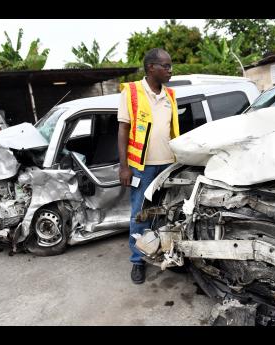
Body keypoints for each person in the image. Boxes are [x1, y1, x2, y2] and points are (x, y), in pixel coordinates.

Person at [117, 48, 179, 284]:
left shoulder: (171, 95)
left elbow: (173, 130)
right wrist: (124, 167)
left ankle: (163, 252)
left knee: (166, 213)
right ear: (151, 67)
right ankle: (138, 261)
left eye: (170, 66)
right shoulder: (131, 92)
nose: (170, 70)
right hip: (141, 167)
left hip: (168, 165)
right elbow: (123, 130)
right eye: (166, 66)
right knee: (140, 215)